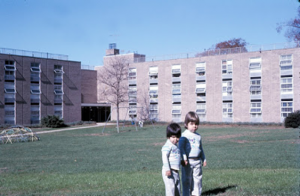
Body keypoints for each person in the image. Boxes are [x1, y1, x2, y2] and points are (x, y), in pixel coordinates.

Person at [179, 111, 207, 196]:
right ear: (186, 124)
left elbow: (200, 148)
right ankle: (186, 194)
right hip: (187, 161)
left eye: (196, 124)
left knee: (197, 179)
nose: (194, 126)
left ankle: (196, 193)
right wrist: (184, 158)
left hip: (197, 161)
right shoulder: (184, 135)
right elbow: (181, 148)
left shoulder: (198, 136)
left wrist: (204, 159)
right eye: (191, 123)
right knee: (186, 179)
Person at [161, 123, 182, 196]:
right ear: (168, 137)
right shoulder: (167, 146)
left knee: (177, 189)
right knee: (171, 189)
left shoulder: (175, 146)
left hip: (176, 172)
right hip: (169, 171)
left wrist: (181, 161)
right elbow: (164, 157)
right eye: (173, 137)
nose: (175, 139)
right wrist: (167, 169)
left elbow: (177, 156)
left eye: (177, 137)